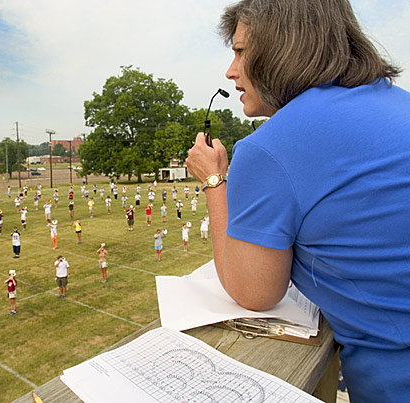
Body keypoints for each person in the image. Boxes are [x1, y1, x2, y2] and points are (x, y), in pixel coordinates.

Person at [184, 1, 409, 400]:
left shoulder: (269, 147)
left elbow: (252, 291)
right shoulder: (399, 103)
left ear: (279, 47)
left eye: (239, 51)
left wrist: (215, 180)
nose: (230, 71)